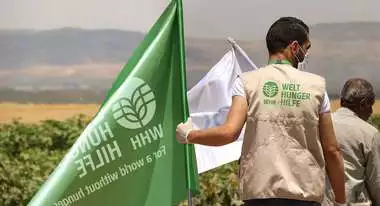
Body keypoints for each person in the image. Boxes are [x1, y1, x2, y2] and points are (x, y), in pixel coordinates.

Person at [176, 17, 346, 206]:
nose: (306, 54)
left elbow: (229, 132)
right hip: (304, 194)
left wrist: (190, 135)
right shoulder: (317, 87)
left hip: (260, 194)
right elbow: (331, 150)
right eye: (306, 48)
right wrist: (340, 199)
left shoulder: (246, 82)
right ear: (294, 47)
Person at [325, 79, 380, 206]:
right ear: (362, 104)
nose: (371, 111)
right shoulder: (369, 133)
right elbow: (376, 182)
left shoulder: (322, 125)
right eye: (370, 105)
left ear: (341, 102)